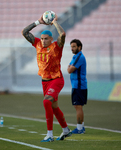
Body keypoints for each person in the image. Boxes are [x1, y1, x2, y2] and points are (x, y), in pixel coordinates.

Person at [22, 14, 72, 142]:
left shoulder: (57, 46)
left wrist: (55, 22)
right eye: (42, 38)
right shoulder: (37, 44)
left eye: (46, 39)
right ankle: (66, 130)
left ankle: (49, 135)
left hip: (56, 80)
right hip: (44, 81)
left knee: (46, 102)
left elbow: (63, 35)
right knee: (54, 107)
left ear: (51, 39)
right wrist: (38, 22)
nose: (43, 41)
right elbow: (24, 32)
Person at [67, 39, 87, 134]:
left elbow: (70, 70)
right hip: (77, 85)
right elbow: (69, 67)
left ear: (79, 47)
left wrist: (69, 67)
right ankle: (81, 127)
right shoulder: (75, 56)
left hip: (79, 86)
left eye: (74, 46)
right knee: (77, 106)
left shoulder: (80, 57)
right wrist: (69, 67)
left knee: (78, 106)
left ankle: (79, 129)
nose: (72, 48)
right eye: (71, 47)